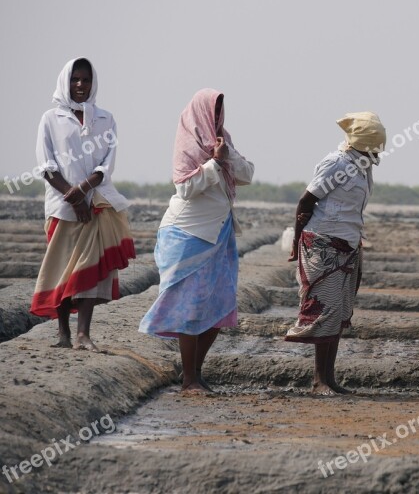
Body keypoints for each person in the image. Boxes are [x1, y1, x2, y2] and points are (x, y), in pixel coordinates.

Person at [139, 89, 254, 395]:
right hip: (187, 235)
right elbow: (186, 188)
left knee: (220, 306)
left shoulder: (223, 140)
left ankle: (195, 373)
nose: (217, 117)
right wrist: (214, 164)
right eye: (213, 111)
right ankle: (189, 378)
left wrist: (226, 156)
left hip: (219, 234)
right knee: (188, 308)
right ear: (201, 112)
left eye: (220, 111)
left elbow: (248, 173)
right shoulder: (187, 143)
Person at [31, 58, 136, 352]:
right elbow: (46, 165)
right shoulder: (50, 119)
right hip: (60, 207)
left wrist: (84, 191)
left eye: (85, 80)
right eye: (75, 79)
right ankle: (63, 333)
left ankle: (83, 335)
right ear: (66, 81)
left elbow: (107, 164)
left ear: (93, 84)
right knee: (61, 269)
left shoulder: (105, 119)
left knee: (89, 270)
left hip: (95, 204)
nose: (80, 85)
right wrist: (72, 195)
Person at [285, 112, 386, 396]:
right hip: (323, 244)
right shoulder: (336, 164)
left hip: (349, 245)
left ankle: (330, 379)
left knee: (339, 313)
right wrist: (296, 244)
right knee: (324, 311)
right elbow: (306, 203)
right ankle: (319, 382)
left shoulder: (363, 165)